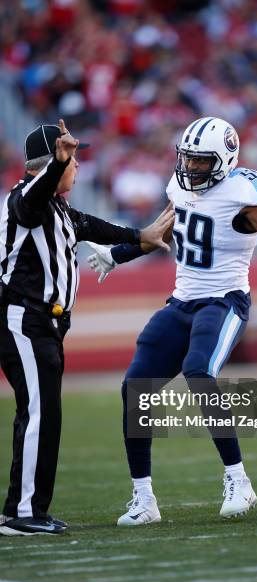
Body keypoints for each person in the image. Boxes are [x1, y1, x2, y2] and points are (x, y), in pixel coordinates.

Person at [87, 116, 257, 526]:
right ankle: (144, 498)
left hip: (224, 301)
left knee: (198, 371)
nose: (189, 168)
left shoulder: (245, 191)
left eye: (200, 161)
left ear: (224, 160)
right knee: (135, 389)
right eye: (187, 159)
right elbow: (160, 232)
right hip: (181, 302)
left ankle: (239, 480)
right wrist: (119, 254)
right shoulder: (178, 185)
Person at [0, 120, 174, 536]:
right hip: (24, 318)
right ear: (55, 161)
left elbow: (91, 226)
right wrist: (58, 164)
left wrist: (140, 235)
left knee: (43, 416)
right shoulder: (27, 199)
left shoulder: (58, 208)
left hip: (45, 325)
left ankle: (25, 509)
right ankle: (24, 513)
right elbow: (30, 200)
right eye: (73, 159)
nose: (78, 167)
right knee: (40, 415)